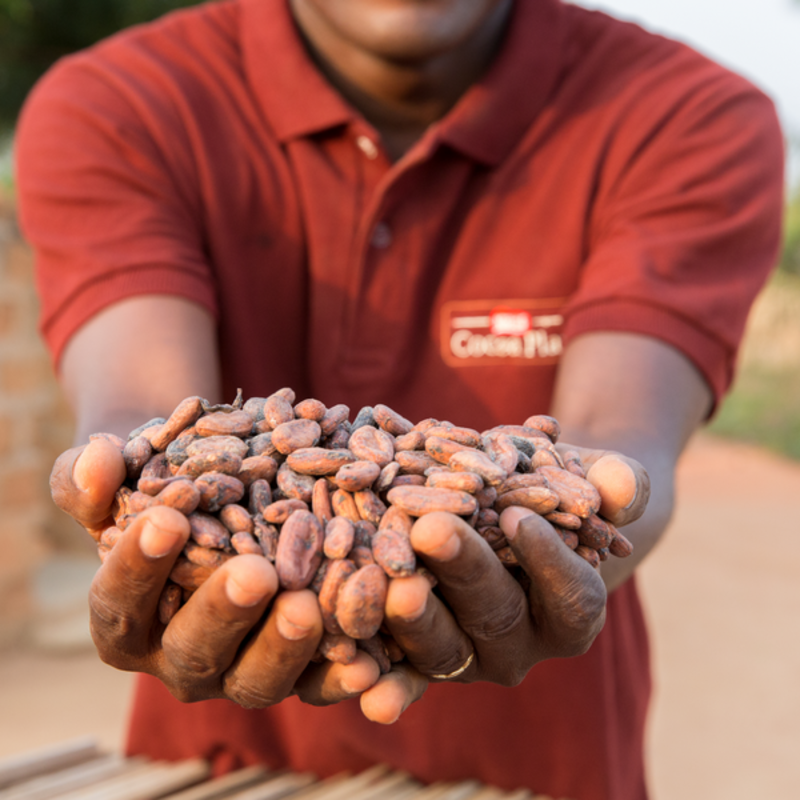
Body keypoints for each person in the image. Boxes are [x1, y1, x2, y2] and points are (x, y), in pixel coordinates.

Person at [14, 1, 784, 798]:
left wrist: (584, 512)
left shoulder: (685, 113)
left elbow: (620, 448)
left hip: (539, 768)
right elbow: (143, 416)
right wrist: (129, 493)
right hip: (214, 771)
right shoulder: (122, 101)